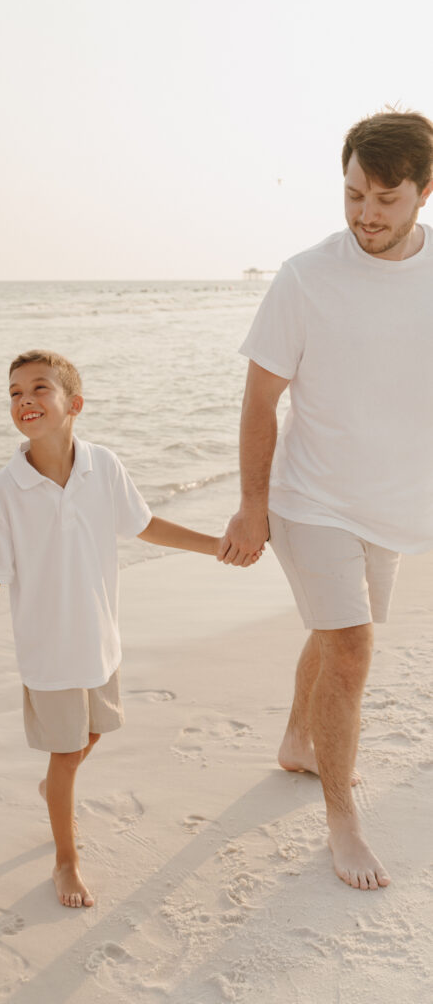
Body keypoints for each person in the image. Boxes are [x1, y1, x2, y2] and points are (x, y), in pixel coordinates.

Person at [218, 109, 433, 892]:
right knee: (350, 649)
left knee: (332, 632)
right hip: (310, 499)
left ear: (422, 193)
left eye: (384, 199)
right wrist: (251, 504)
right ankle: (342, 821)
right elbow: (258, 400)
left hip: (395, 504)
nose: (364, 215)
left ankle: (295, 741)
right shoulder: (305, 276)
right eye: (352, 195)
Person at [0, 350, 235, 909]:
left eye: (39, 388)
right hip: (50, 651)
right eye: (14, 392)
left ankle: (52, 791)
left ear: (74, 404)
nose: (25, 399)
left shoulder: (102, 466)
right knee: (64, 757)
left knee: (94, 734)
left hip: (100, 640)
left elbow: (145, 524)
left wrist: (216, 547)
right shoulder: (6, 490)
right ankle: (66, 860)